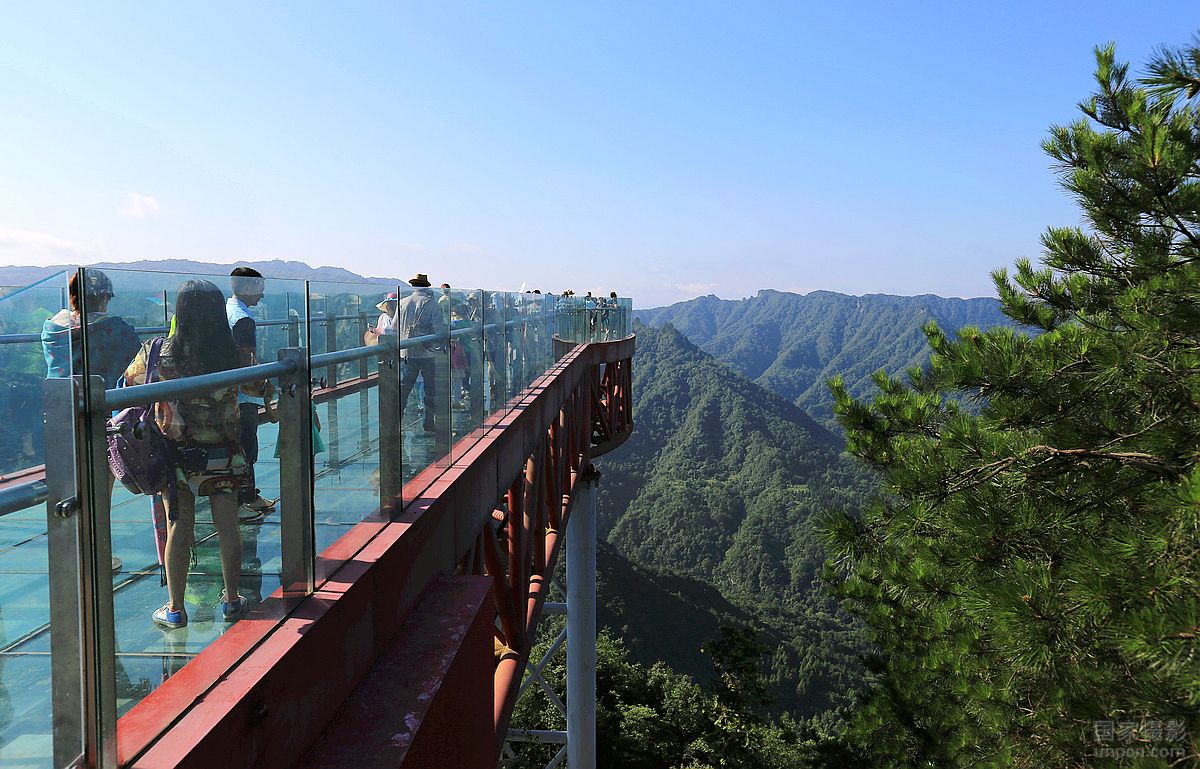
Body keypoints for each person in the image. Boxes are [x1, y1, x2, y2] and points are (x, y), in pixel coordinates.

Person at [124, 280, 247, 629]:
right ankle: (232, 600)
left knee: (179, 523)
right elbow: (259, 385)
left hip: (176, 454)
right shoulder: (234, 354)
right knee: (227, 525)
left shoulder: (158, 352)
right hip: (222, 451)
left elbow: (129, 385)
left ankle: (175, 608)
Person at [42, 270, 142, 573]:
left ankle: (70, 554)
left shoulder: (52, 329)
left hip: (60, 415)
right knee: (99, 490)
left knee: (68, 489)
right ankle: (97, 556)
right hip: (99, 416)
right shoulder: (114, 330)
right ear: (103, 296)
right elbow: (135, 364)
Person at [226, 267, 277, 519]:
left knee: (237, 443)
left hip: (227, 391)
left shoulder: (226, 311)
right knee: (247, 443)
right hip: (243, 393)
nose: (262, 294)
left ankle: (243, 495)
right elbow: (247, 359)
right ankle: (246, 497)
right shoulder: (243, 319)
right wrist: (263, 384)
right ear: (246, 287)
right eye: (259, 288)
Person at [394, 273, 448, 433]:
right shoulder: (431, 304)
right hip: (427, 354)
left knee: (403, 390)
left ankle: (395, 423)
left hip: (405, 353)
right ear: (427, 287)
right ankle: (428, 422)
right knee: (430, 390)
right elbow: (439, 331)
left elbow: (394, 327)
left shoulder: (402, 303)